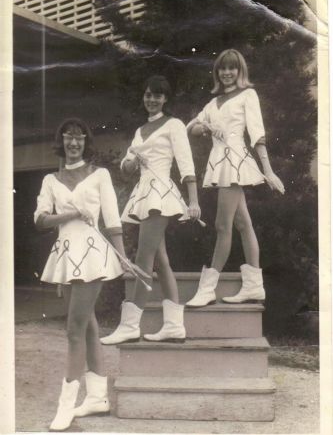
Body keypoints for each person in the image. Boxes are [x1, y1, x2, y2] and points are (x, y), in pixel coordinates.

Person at [34, 117, 131, 431]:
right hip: (66, 254)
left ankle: (66, 406)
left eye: (78, 138)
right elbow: (40, 220)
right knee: (86, 323)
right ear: (61, 141)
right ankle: (98, 396)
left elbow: (113, 220)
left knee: (74, 330)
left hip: (92, 256)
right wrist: (74, 212)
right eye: (67, 137)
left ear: (85, 142)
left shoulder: (100, 175)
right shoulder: (51, 180)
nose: (73, 143)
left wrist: (123, 256)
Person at [100, 75, 201, 345]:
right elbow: (127, 166)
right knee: (161, 259)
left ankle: (130, 325)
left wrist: (193, 201)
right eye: (148, 95)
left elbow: (186, 162)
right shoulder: (140, 130)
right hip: (144, 192)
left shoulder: (174, 125)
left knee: (144, 257)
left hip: (161, 194)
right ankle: (174, 325)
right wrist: (130, 163)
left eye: (157, 95)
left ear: (165, 99)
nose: (152, 100)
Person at [186, 49, 285, 307]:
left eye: (232, 68)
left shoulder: (247, 95)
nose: (227, 73)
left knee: (222, 225)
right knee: (243, 224)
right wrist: (206, 127)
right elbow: (190, 128)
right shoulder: (213, 103)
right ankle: (254, 286)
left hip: (235, 161)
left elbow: (257, 133)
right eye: (222, 68)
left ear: (240, 71)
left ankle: (208, 288)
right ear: (217, 72)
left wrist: (268, 169)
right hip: (219, 161)